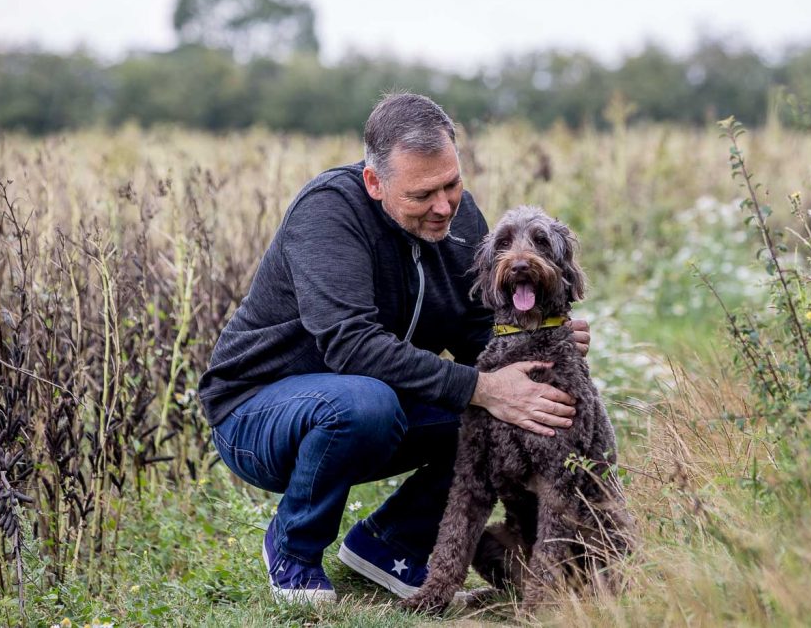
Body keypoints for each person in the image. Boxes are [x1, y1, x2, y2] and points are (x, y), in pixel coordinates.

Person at [198, 93, 590, 605]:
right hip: (257, 413)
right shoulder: (328, 214)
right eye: (422, 194)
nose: (444, 206)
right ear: (374, 182)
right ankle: (293, 549)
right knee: (368, 403)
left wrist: (542, 337)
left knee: (497, 415)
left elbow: (478, 332)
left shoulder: (459, 219)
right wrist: (482, 387)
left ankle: (391, 545)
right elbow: (350, 345)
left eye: (451, 184)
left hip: (379, 401)